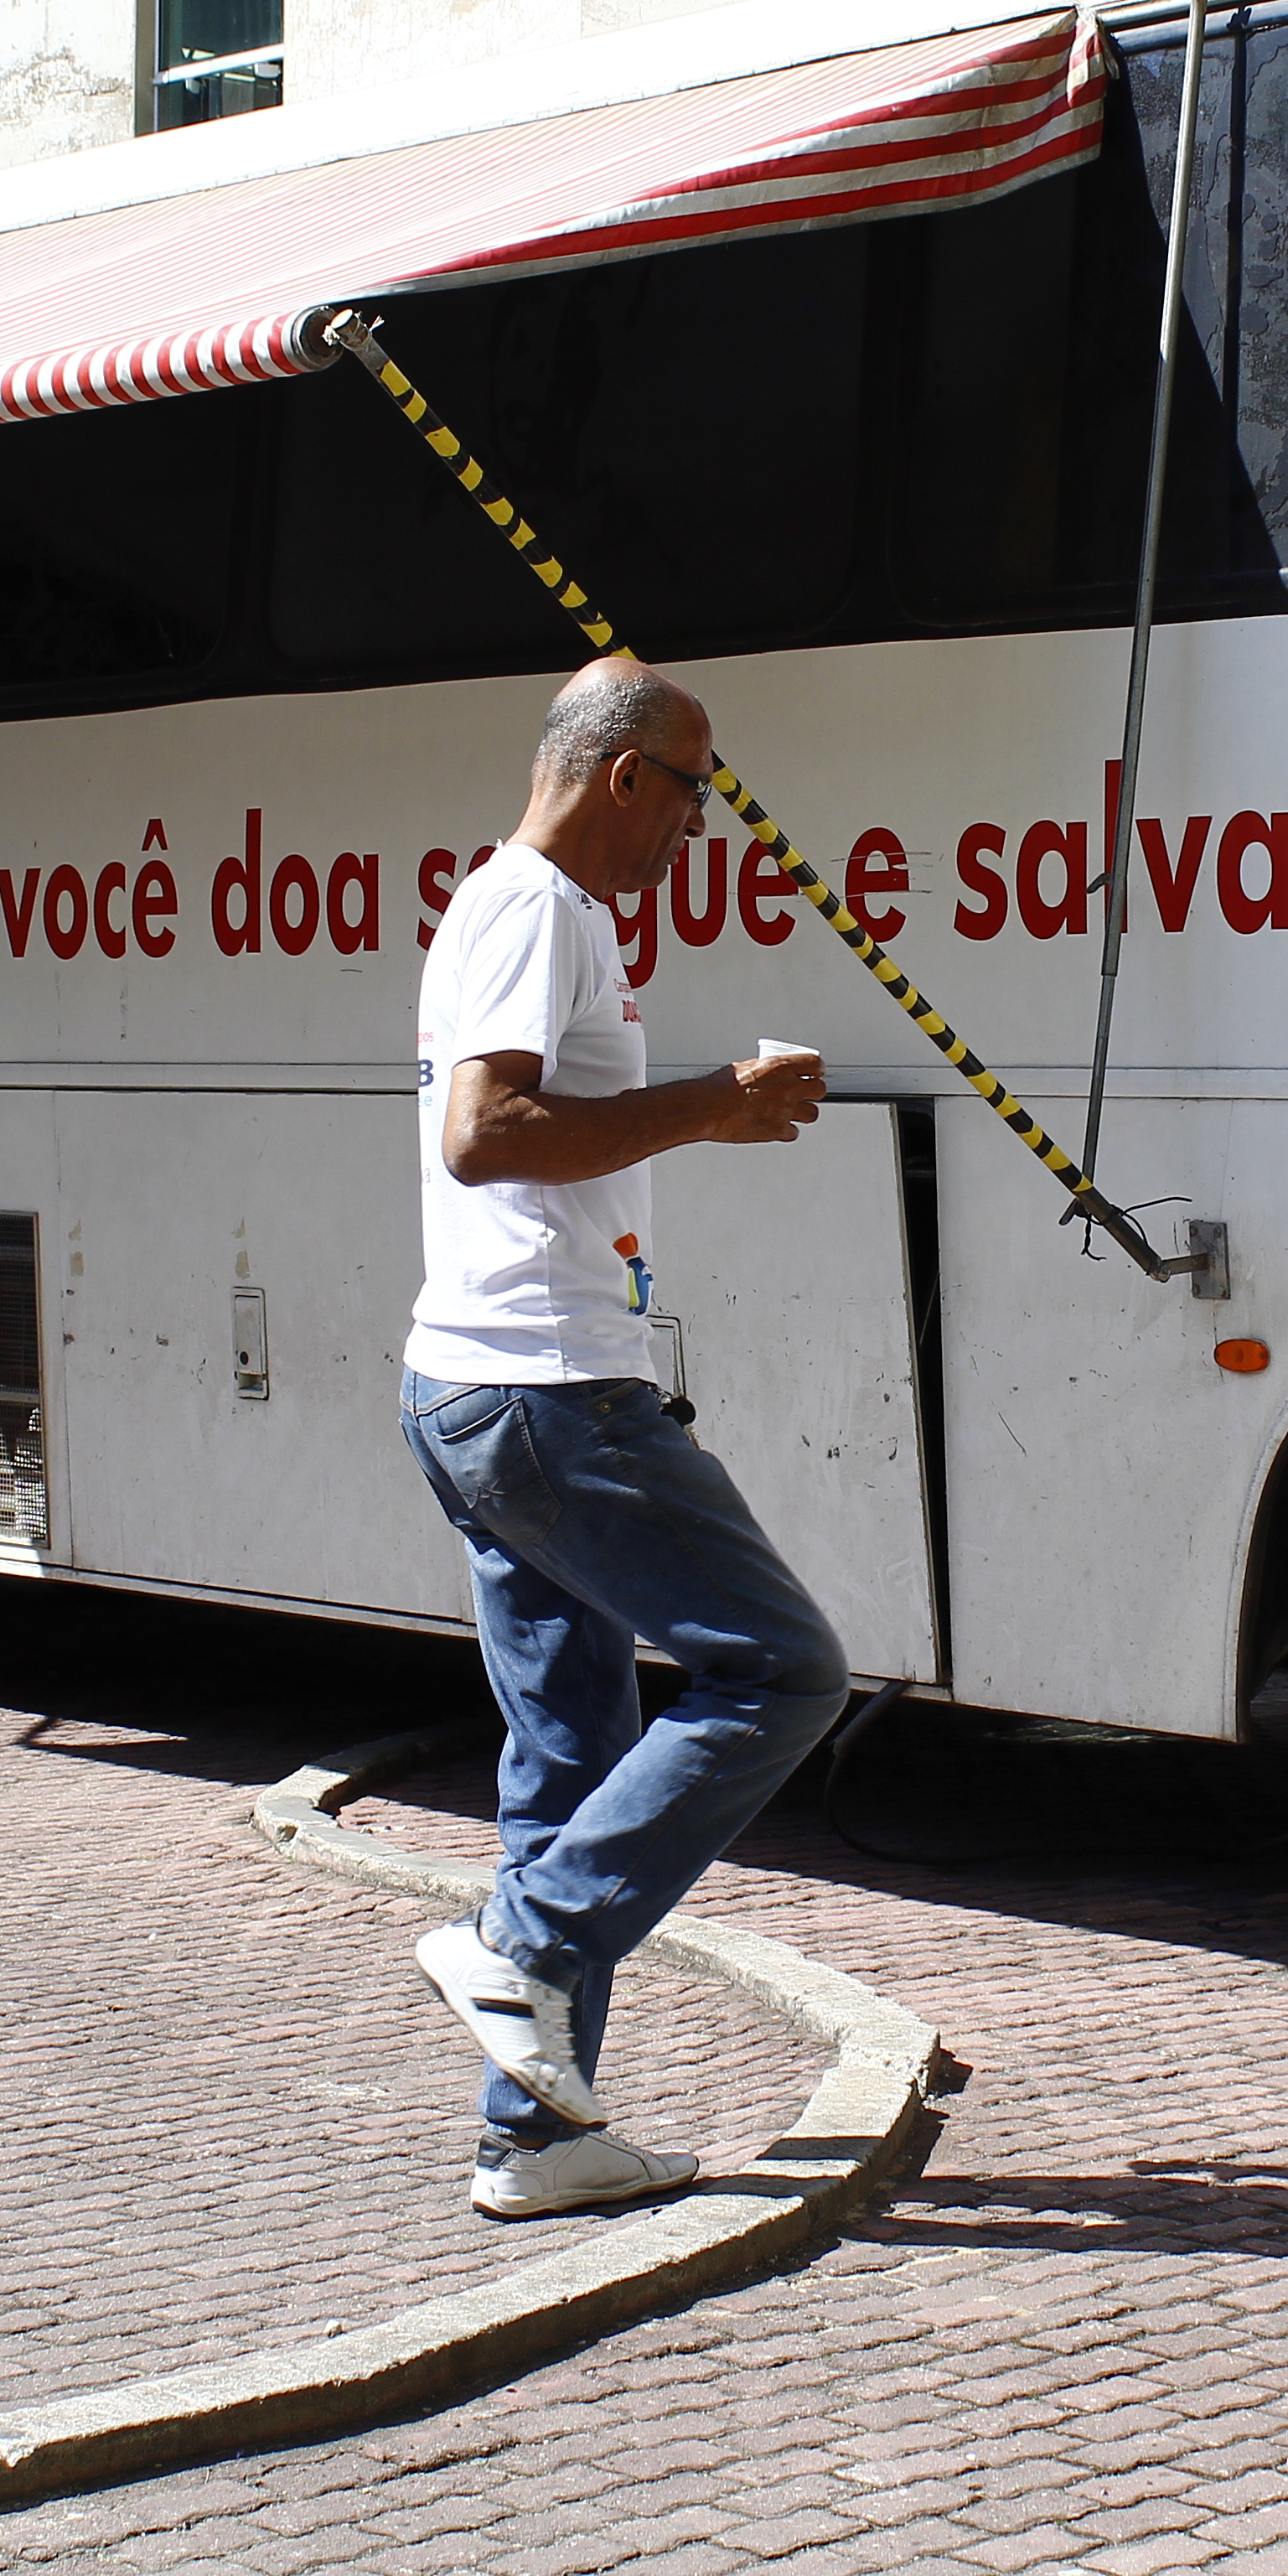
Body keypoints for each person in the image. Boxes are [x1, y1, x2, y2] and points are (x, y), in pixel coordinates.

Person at [397, 653, 854, 2222]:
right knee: (782, 1670)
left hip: (481, 1383)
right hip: (543, 1392)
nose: (699, 821)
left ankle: (533, 2138)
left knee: (569, 1759)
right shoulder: (537, 906)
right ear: (620, 776)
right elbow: (484, 1135)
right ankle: (523, 1946)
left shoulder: (527, 906)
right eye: (694, 788)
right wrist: (713, 1105)